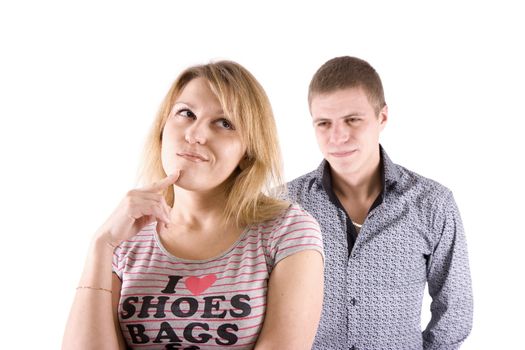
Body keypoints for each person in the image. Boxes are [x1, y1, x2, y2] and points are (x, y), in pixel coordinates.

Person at [62, 60, 324, 350]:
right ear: (162, 127)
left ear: (248, 151)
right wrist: (102, 244)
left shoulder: (287, 231)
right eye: (186, 113)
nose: (195, 134)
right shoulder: (125, 240)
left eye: (224, 123)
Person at [286, 56, 473, 350]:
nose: (338, 136)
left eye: (352, 119)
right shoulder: (284, 205)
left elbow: (455, 308)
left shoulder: (433, 204)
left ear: (382, 117)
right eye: (324, 123)